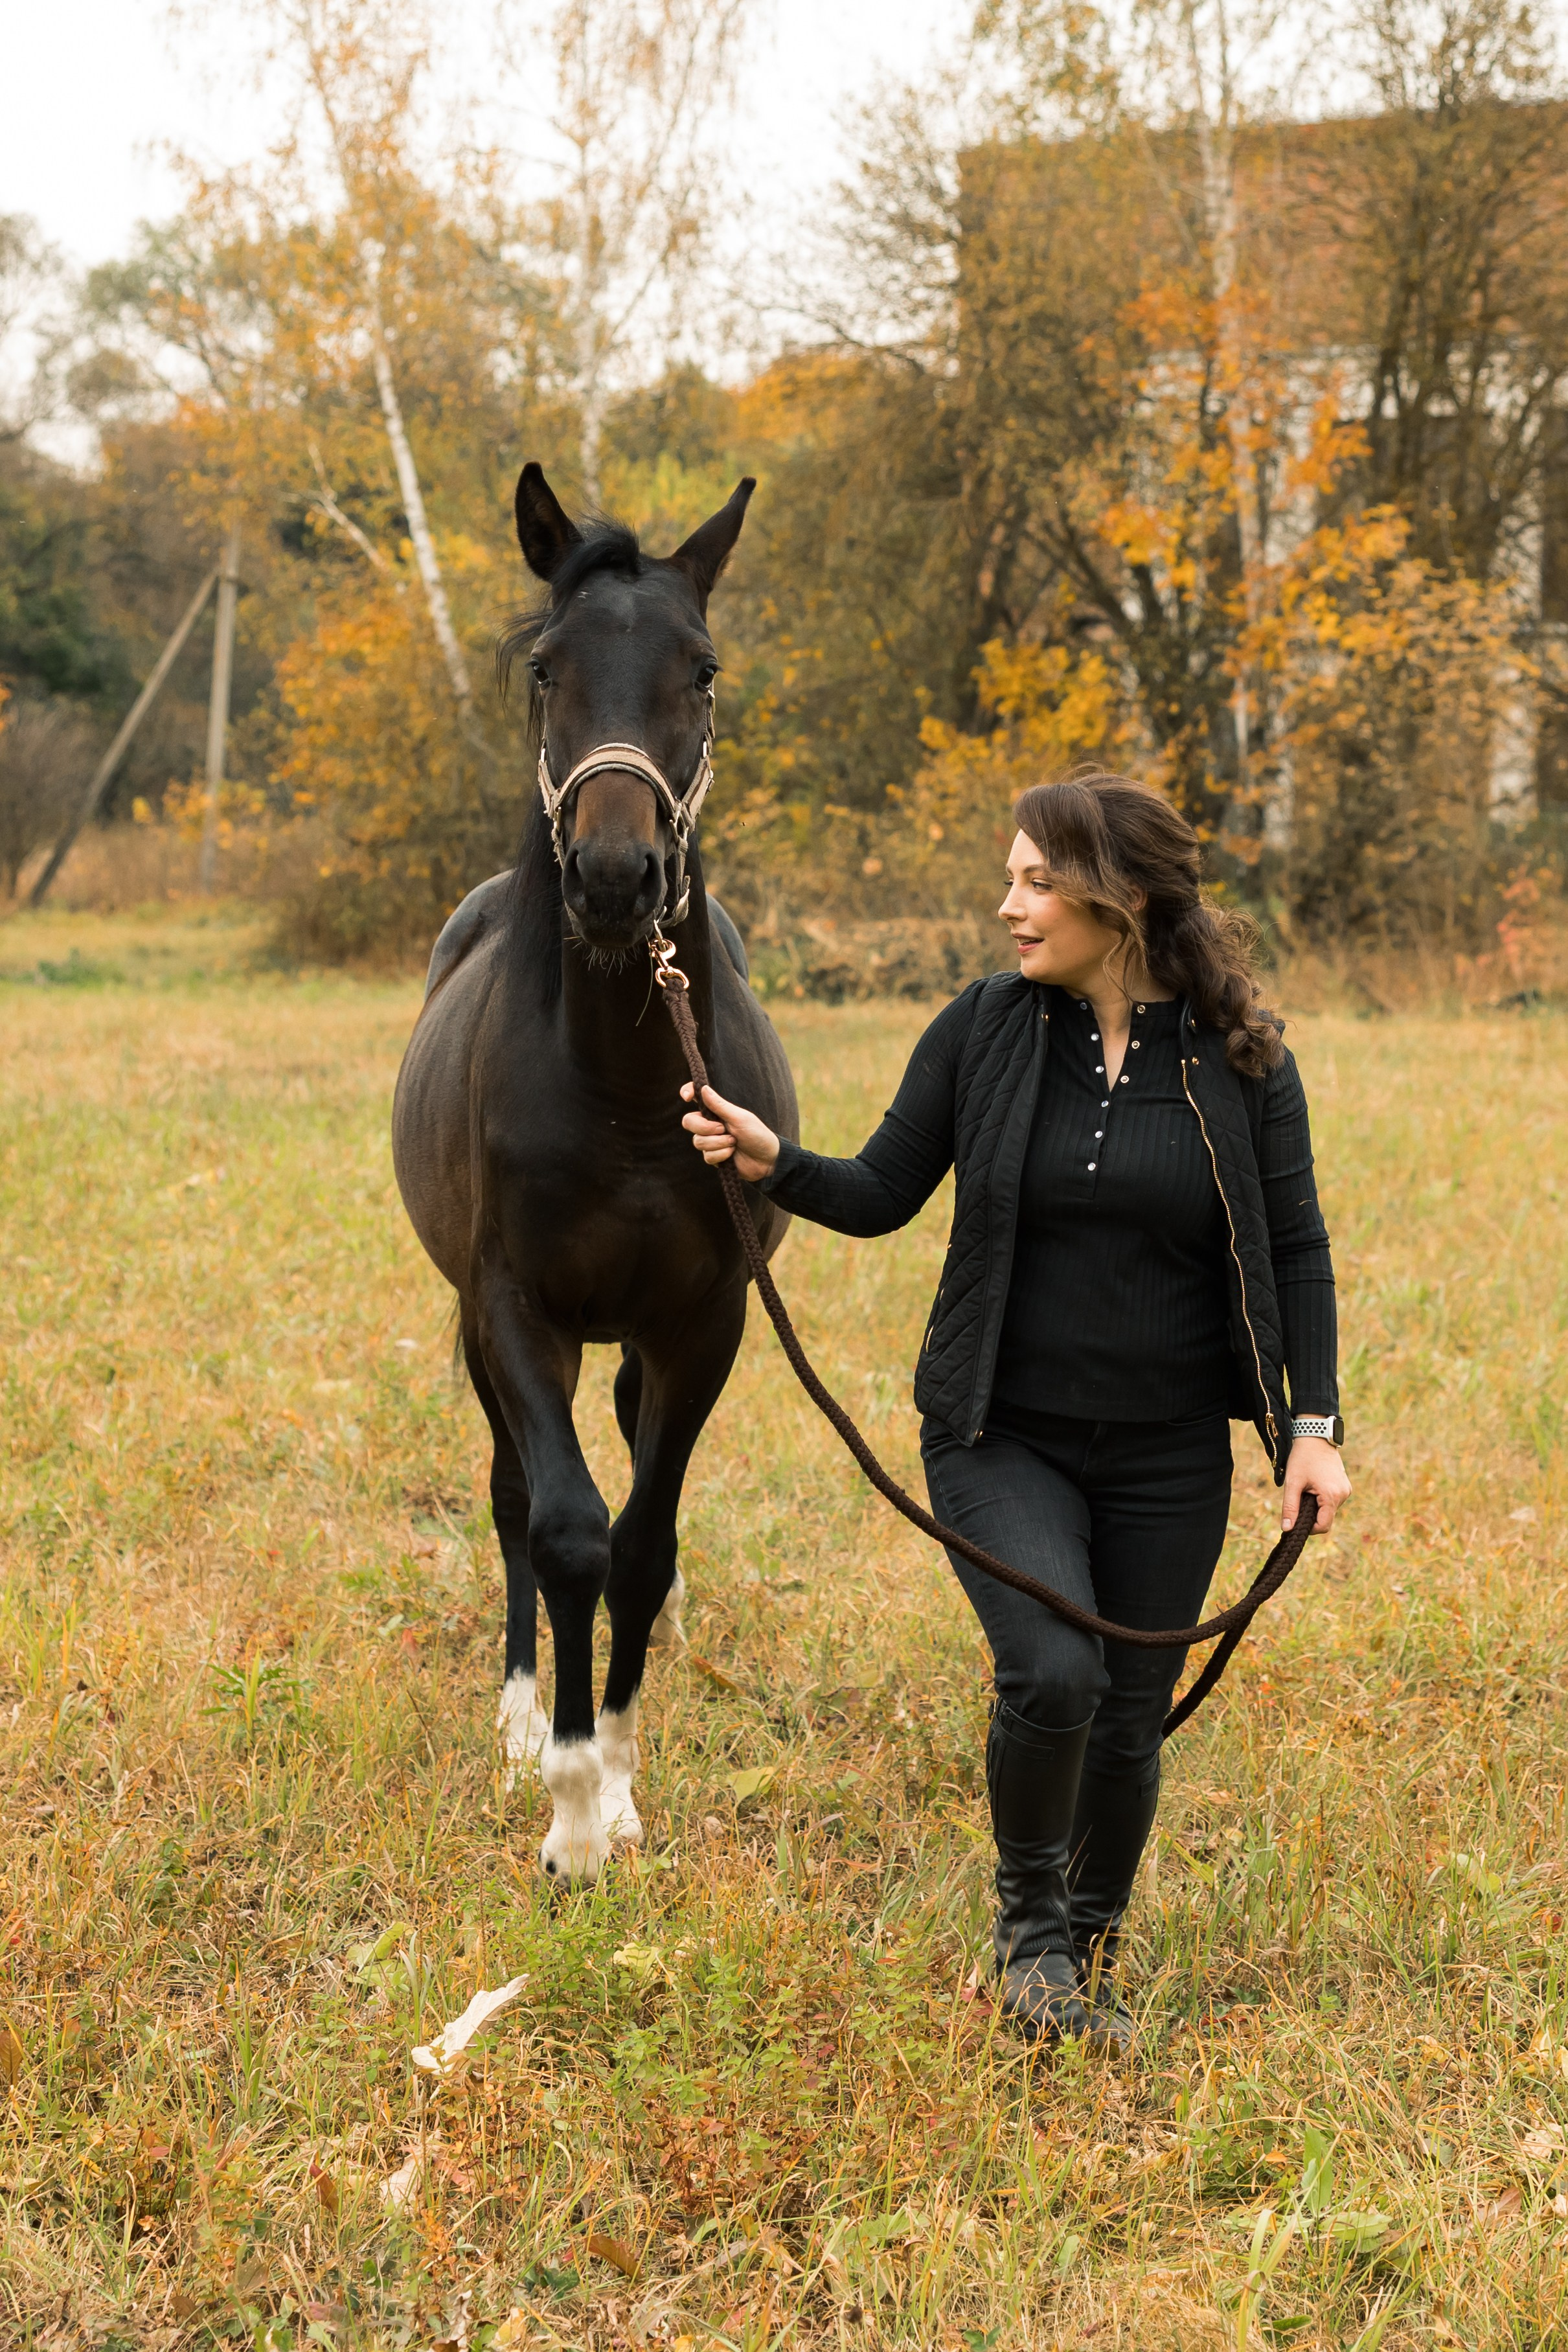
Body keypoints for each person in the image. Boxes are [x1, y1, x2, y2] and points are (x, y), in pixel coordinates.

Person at [682, 770, 1350, 2053]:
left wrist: (1309, 1429)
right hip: (1000, 1431)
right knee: (1052, 1671)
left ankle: (1085, 1954)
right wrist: (774, 1161)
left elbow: (1297, 1246)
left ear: (1122, 895)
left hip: (1168, 1450)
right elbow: (882, 1189)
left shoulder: (1241, 1056)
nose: (1009, 907)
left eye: (1037, 882)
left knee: (1129, 1711)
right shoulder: (985, 1027)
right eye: (1011, 879)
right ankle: (1029, 1933)